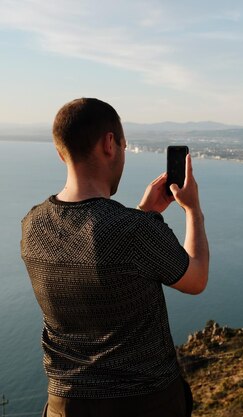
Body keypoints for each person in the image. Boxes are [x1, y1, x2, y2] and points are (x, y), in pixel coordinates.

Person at [20, 98, 209, 417]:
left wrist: (143, 213)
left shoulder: (32, 225)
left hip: (64, 405)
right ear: (110, 144)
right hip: (145, 404)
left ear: (60, 151)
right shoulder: (134, 231)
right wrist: (192, 210)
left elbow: (94, 252)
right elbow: (197, 278)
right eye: (123, 145)